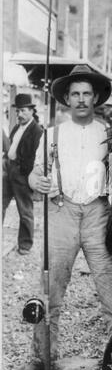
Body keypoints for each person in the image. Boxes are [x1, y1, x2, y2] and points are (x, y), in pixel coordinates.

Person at [12, 65, 112, 370]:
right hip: (61, 212)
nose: (80, 99)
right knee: (51, 286)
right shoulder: (52, 133)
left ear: (95, 98)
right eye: (74, 94)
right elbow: (34, 172)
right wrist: (39, 182)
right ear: (65, 98)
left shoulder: (108, 131)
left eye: (86, 93)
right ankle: (40, 357)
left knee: (111, 286)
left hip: (97, 214)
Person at [2, 94, 43, 254]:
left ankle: (25, 245)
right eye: (18, 111)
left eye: (23, 110)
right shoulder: (16, 127)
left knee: (25, 210)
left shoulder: (37, 131)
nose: (19, 114)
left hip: (22, 174)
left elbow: (35, 156)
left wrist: (24, 172)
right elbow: (11, 147)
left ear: (32, 111)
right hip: (8, 169)